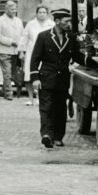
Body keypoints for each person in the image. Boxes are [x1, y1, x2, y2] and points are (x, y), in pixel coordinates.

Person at [30, 8, 89, 149]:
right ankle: (47, 135)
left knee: (60, 109)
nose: (69, 24)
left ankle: (58, 137)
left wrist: (93, 62)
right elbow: (35, 59)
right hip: (46, 78)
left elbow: (77, 56)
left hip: (62, 80)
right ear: (57, 21)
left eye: (69, 21)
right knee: (46, 108)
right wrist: (35, 78)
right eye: (66, 21)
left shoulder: (71, 37)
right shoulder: (43, 36)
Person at [0, 0, 25, 100]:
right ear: (6, 9)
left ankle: (3, 90)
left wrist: (21, 47)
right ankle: (8, 93)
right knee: (7, 72)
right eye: (11, 9)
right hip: (4, 50)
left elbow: (22, 34)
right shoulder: (0, 20)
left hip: (15, 51)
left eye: (15, 9)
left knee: (11, 73)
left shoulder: (18, 21)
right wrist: (11, 42)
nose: (14, 11)